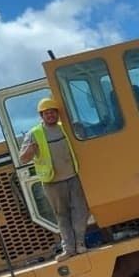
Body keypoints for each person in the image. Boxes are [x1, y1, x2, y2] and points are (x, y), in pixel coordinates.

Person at [19, 97, 91, 261]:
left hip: (73, 176)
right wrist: (30, 150)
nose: (50, 115)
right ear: (41, 116)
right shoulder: (34, 134)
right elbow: (23, 158)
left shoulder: (65, 128)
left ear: (57, 114)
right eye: (47, 113)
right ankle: (69, 249)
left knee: (80, 211)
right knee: (62, 215)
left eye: (53, 112)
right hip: (52, 181)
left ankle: (80, 244)